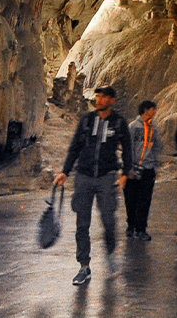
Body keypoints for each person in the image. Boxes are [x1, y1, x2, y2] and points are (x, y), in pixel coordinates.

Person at [54, 86, 131, 286]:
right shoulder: (87, 120)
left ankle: (111, 255)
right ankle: (84, 266)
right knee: (82, 223)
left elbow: (128, 150)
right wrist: (65, 171)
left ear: (112, 100)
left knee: (108, 219)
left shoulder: (119, 122)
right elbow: (75, 147)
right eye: (98, 96)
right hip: (84, 177)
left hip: (107, 177)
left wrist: (124, 175)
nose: (99, 99)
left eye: (104, 96)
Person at [125, 100, 161, 241]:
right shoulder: (133, 127)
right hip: (133, 168)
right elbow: (128, 147)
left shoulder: (154, 128)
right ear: (146, 110)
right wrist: (130, 166)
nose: (155, 112)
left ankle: (141, 228)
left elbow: (158, 145)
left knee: (145, 199)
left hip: (147, 169)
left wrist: (154, 162)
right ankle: (131, 225)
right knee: (131, 198)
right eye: (153, 109)